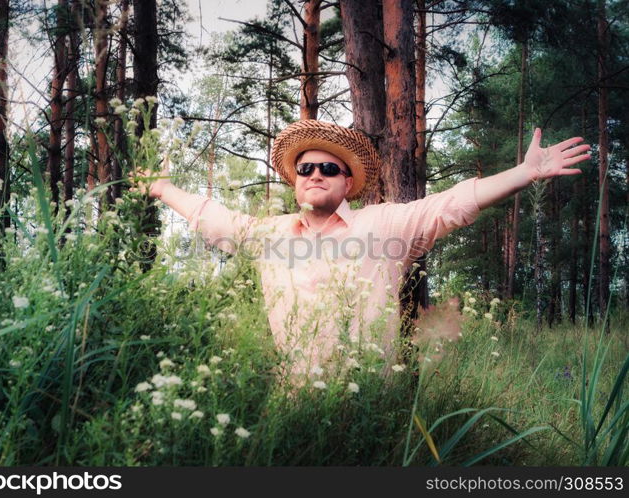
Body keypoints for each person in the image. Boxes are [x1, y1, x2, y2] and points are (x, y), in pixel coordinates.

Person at [131, 120, 590, 381]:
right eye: (305, 167)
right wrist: (165, 189)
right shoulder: (271, 234)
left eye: (328, 168)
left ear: (347, 182)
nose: (315, 173)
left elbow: (451, 205)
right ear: (294, 181)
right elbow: (215, 219)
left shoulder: (382, 223)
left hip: (370, 399)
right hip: (292, 404)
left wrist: (523, 173)